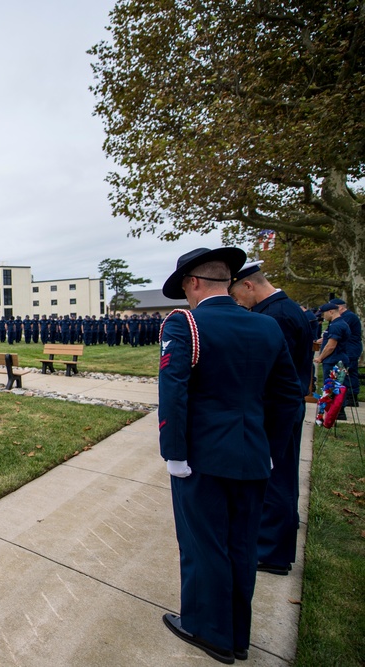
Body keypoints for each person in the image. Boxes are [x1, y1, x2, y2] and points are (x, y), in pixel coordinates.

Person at [158, 248, 302, 664]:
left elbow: (175, 393)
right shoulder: (266, 327)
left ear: (195, 283)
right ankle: (239, 634)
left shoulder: (187, 324)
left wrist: (174, 453)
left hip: (201, 456)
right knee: (241, 544)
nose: (186, 295)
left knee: (204, 544)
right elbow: (289, 396)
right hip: (253, 455)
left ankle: (210, 629)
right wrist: (270, 449)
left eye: (185, 287)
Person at [229, 261, 315, 576]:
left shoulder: (276, 316)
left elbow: (273, 374)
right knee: (280, 476)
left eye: (237, 294)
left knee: (273, 479)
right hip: (286, 407)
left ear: (249, 285)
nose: (238, 302)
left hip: (278, 409)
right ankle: (274, 546)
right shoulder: (286, 309)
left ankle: (272, 552)